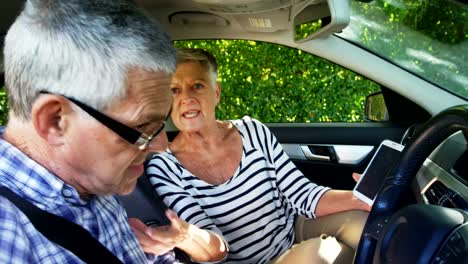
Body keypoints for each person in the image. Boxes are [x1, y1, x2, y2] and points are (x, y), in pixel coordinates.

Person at [0, 1, 225, 263]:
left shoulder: (89, 183)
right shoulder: (9, 232)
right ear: (55, 121)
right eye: (142, 128)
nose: (161, 145)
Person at [145, 48, 371, 263]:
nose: (186, 97)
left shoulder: (252, 131)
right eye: (174, 90)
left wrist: (359, 198)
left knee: (364, 223)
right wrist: (187, 236)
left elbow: (303, 195)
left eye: (197, 85)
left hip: (291, 232)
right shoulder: (164, 167)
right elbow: (216, 251)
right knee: (321, 254)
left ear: (216, 93)